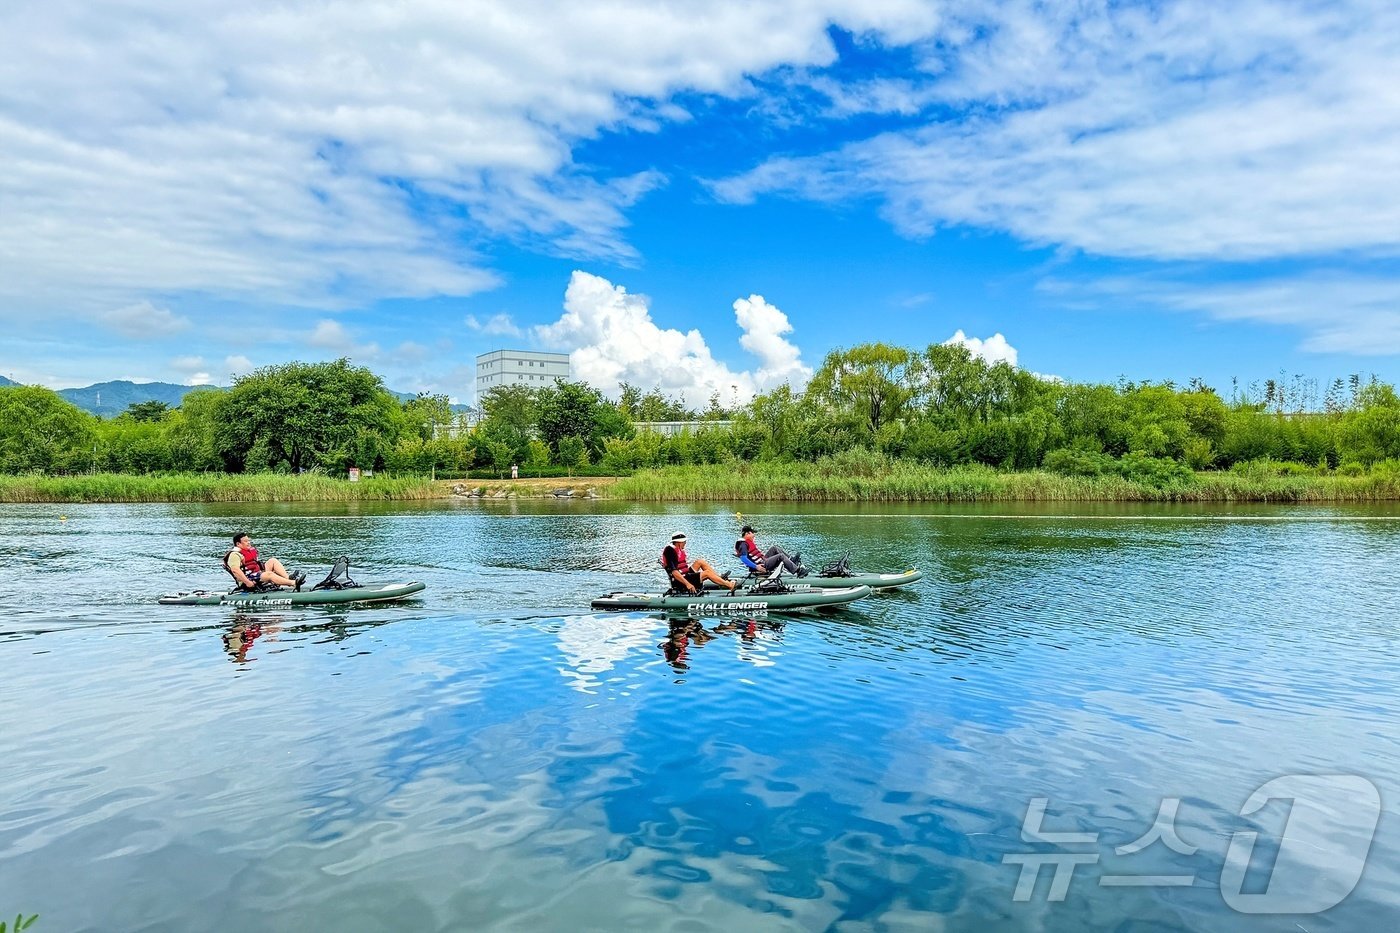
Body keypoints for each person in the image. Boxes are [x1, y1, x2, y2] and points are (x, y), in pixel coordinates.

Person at [224, 532, 304, 591]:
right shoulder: (235, 555)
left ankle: (288, 578)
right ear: (238, 544)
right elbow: (235, 570)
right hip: (248, 579)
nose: (249, 543)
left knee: (273, 561)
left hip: (257, 574)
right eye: (245, 541)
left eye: (249, 540)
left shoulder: (249, 551)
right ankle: (294, 583)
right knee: (269, 574)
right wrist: (248, 582)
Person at [662, 532, 737, 594]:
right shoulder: (670, 551)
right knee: (707, 573)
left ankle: (720, 579)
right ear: (679, 542)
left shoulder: (677, 549)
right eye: (684, 541)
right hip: (679, 581)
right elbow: (674, 572)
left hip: (685, 575)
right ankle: (729, 585)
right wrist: (688, 584)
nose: (685, 543)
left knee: (700, 562)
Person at [735, 524, 808, 577]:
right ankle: (798, 571)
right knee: (781, 556)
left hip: (763, 561)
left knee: (774, 548)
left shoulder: (746, 542)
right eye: (752, 533)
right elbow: (743, 558)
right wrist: (756, 567)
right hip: (761, 565)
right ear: (747, 533)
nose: (754, 535)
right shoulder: (743, 544)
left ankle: (792, 560)